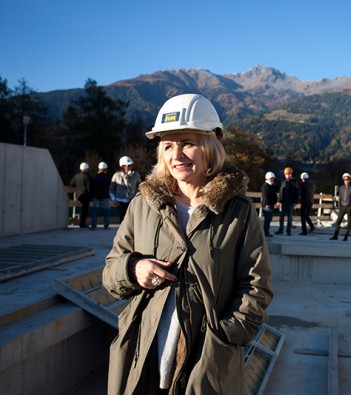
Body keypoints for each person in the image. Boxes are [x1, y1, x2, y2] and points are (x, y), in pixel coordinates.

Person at [103, 93, 273, 394]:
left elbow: (256, 286)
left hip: (206, 363)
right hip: (141, 357)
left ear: (210, 147)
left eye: (188, 144)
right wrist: (133, 268)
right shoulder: (144, 204)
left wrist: (224, 338)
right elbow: (111, 273)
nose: (176, 155)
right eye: (168, 145)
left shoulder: (239, 212)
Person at [109, 155, 142, 222]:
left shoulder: (135, 175)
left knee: (131, 218)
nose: (130, 167)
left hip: (131, 200)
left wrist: (137, 197)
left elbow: (140, 187)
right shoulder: (116, 175)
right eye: (128, 165)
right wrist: (114, 199)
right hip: (120, 201)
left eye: (130, 165)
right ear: (123, 166)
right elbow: (111, 189)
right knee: (122, 218)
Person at [330, 173, 351, 241]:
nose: (346, 181)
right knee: (338, 221)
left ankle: (346, 236)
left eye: (347, 179)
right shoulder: (341, 187)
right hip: (342, 206)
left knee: (349, 222)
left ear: (349, 180)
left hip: (349, 207)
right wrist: (339, 205)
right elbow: (340, 197)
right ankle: (335, 235)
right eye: (344, 180)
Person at [275, 167, 300, 236]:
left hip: (291, 202)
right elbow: (281, 192)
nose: (286, 175)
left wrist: (296, 202)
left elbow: (297, 193)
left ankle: (288, 231)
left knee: (289, 217)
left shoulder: (294, 182)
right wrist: (279, 201)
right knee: (281, 217)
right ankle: (280, 230)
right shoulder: (284, 182)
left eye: (288, 174)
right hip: (283, 202)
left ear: (291, 174)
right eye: (286, 174)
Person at [90, 161, 111, 230]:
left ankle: (94, 226)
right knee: (106, 212)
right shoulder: (107, 177)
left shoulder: (94, 177)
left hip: (96, 196)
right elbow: (109, 186)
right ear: (105, 169)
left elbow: (91, 187)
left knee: (95, 211)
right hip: (105, 196)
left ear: (98, 168)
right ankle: (106, 226)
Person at [70, 162, 91, 228]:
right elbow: (89, 187)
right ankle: (82, 223)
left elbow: (72, 183)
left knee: (82, 210)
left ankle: (81, 223)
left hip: (79, 195)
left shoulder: (76, 176)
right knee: (85, 210)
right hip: (85, 195)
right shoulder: (87, 177)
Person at [261, 171, 279, 237]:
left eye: (273, 178)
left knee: (269, 220)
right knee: (267, 220)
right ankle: (266, 233)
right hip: (267, 206)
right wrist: (267, 204)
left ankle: (266, 232)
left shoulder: (270, 185)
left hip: (271, 205)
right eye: (271, 178)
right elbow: (265, 196)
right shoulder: (265, 186)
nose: (273, 179)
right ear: (268, 178)